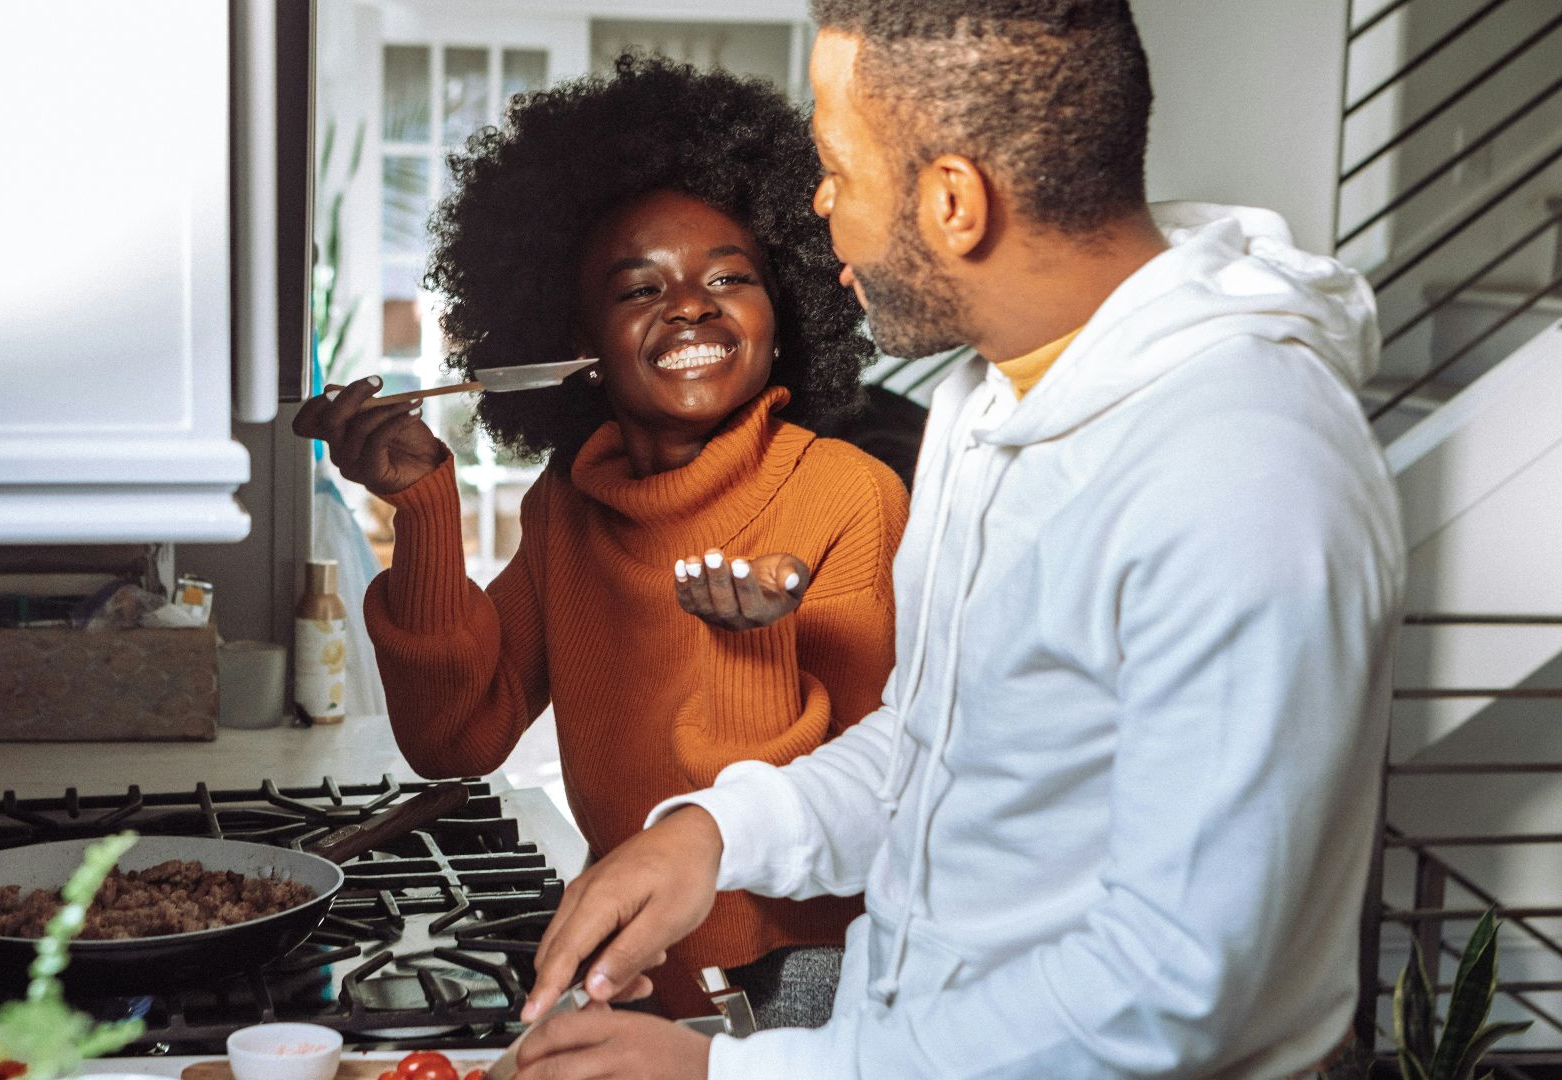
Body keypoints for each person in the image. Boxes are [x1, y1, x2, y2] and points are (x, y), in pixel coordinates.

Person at [510, 2, 1406, 1078]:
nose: (819, 205)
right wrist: (715, 832)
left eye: (838, 167)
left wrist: (727, 1073)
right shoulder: (991, 403)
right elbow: (947, 745)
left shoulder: (1245, 469)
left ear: (952, 203)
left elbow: (1175, 986)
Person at [292, 55, 909, 1021]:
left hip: (800, 1005)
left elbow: (873, 811)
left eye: (729, 277)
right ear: (574, 343)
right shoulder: (569, 508)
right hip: (629, 981)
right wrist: (421, 511)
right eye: (638, 289)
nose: (691, 303)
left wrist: (750, 646)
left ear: (784, 316)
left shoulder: (850, 497)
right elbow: (456, 739)